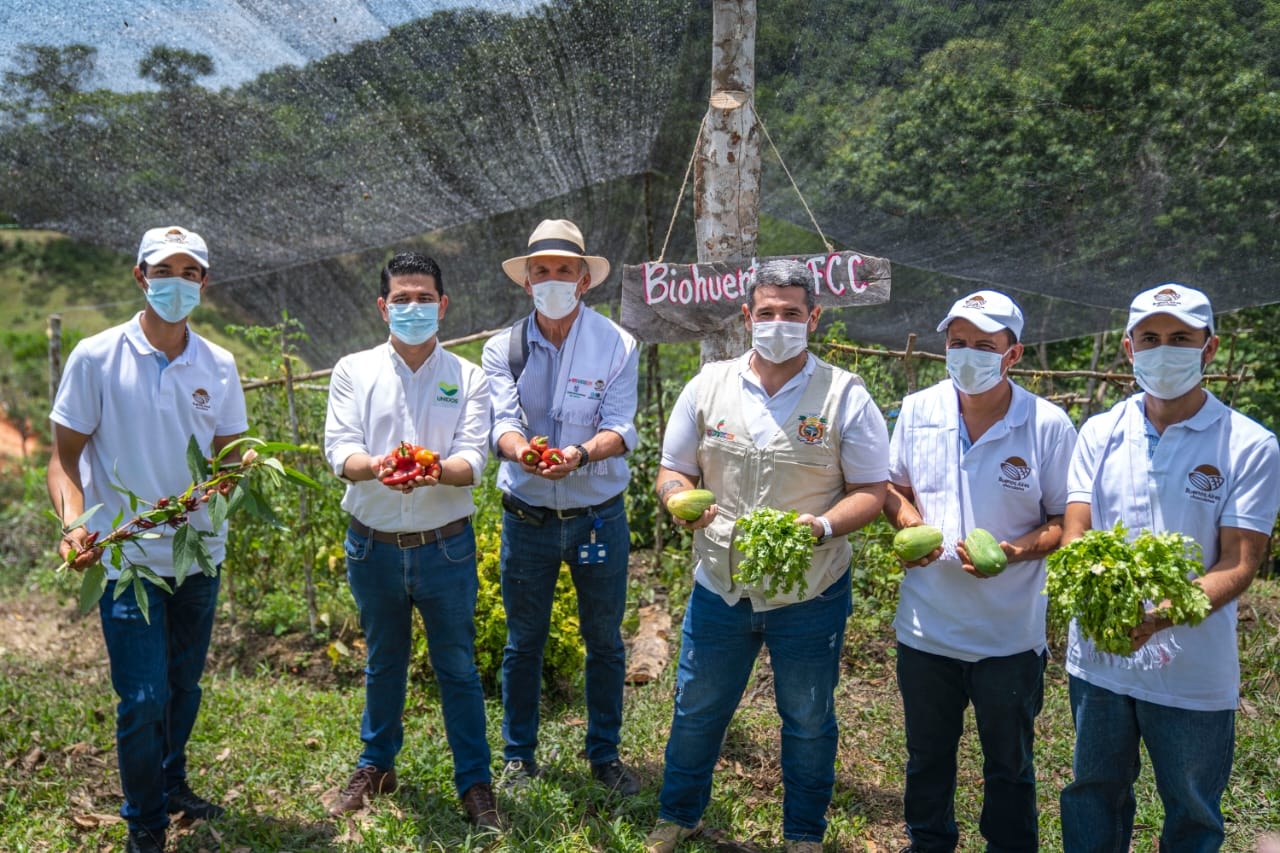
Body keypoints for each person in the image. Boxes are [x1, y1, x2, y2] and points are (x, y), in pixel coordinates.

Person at [646, 258, 890, 853]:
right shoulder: (709, 384)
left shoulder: (845, 395)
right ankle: (679, 815)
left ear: (814, 318)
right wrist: (679, 498)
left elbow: (872, 491)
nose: (779, 322)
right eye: (769, 312)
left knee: (807, 717)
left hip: (811, 589)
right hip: (720, 585)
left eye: (792, 313)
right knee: (698, 706)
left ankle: (804, 834)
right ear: (747, 315)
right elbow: (673, 469)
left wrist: (825, 525)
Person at [1058, 283, 1280, 852]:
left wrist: (1159, 615)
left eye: (1180, 338)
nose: (1164, 350)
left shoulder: (1249, 445)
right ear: (1129, 350)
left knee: (1192, 809)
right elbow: (1076, 534)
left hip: (1192, 666)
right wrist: (1104, 608)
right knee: (1093, 792)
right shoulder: (1101, 431)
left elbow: (1239, 562)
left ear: (1208, 349)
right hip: (1101, 659)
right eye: (1150, 338)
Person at [47, 226, 248, 853]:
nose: (178, 283)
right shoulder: (96, 356)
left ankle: (171, 781)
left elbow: (232, 457)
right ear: (140, 277)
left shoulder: (218, 364)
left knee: (183, 685)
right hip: (127, 560)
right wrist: (74, 524)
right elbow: (63, 462)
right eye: (166, 271)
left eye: (191, 273)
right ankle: (145, 825)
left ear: (204, 283)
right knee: (141, 696)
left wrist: (228, 482)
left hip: (197, 556)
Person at [882, 290, 1077, 852]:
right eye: (958, 343)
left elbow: (1065, 521)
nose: (968, 355)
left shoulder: (1046, 424)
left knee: (1009, 763)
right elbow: (892, 486)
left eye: (984, 346)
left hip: (1008, 633)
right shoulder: (920, 409)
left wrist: (1014, 552)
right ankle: (928, 842)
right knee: (927, 755)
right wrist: (906, 519)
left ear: (1012, 355)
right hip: (926, 625)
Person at [323, 252, 502, 831]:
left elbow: (475, 458)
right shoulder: (354, 370)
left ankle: (475, 783)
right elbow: (340, 452)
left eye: (424, 298)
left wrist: (433, 469)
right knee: (384, 661)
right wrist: (378, 465)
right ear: (383, 308)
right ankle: (375, 765)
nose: (414, 308)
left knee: (457, 667)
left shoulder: (467, 376)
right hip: (371, 543)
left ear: (443, 305)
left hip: (445, 545)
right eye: (402, 299)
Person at [480, 218, 641, 796]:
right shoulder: (502, 347)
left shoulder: (617, 344)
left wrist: (576, 453)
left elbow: (622, 427)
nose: (553, 279)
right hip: (526, 515)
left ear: (583, 280)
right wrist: (523, 452)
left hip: (598, 514)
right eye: (541, 270)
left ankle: (605, 754)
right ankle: (519, 757)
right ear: (527, 281)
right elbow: (500, 421)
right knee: (524, 641)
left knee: (605, 640)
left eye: (564, 270)